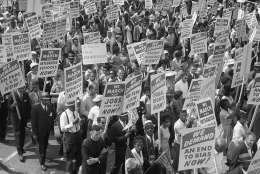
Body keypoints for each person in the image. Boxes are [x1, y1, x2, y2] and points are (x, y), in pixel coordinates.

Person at [31, 92, 54, 171]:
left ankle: (44, 157)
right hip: (39, 132)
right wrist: (34, 133)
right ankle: (42, 163)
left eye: (48, 99)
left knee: (45, 145)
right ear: (41, 100)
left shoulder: (50, 106)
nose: (47, 101)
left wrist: (52, 129)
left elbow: (51, 118)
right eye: (45, 100)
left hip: (47, 131)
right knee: (41, 147)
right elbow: (33, 122)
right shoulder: (35, 108)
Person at [60, 100, 84, 174]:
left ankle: (77, 170)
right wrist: (72, 123)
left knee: (79, 153)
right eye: (74, 105)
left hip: (78, 135)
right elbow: (62, 128)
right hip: (69, 136)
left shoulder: (76, 112)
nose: (76, 107)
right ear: (69, 106)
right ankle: (69, 171)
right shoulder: (64, 114)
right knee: (69, 155)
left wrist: (81, 122)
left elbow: (79, 122)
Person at [8, 86, 31, 162]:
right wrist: (13, 106)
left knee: (23, 134)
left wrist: (28, 118)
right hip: (15, 119)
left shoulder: (26, 95)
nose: (23, 89)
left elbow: (28, 106)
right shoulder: (12, 95)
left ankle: (21, 147)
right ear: (18, 88)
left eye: (24, 88)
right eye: (21, 88)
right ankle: (20, 153)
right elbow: (8, 106)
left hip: (23, 119)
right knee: (17, 134)